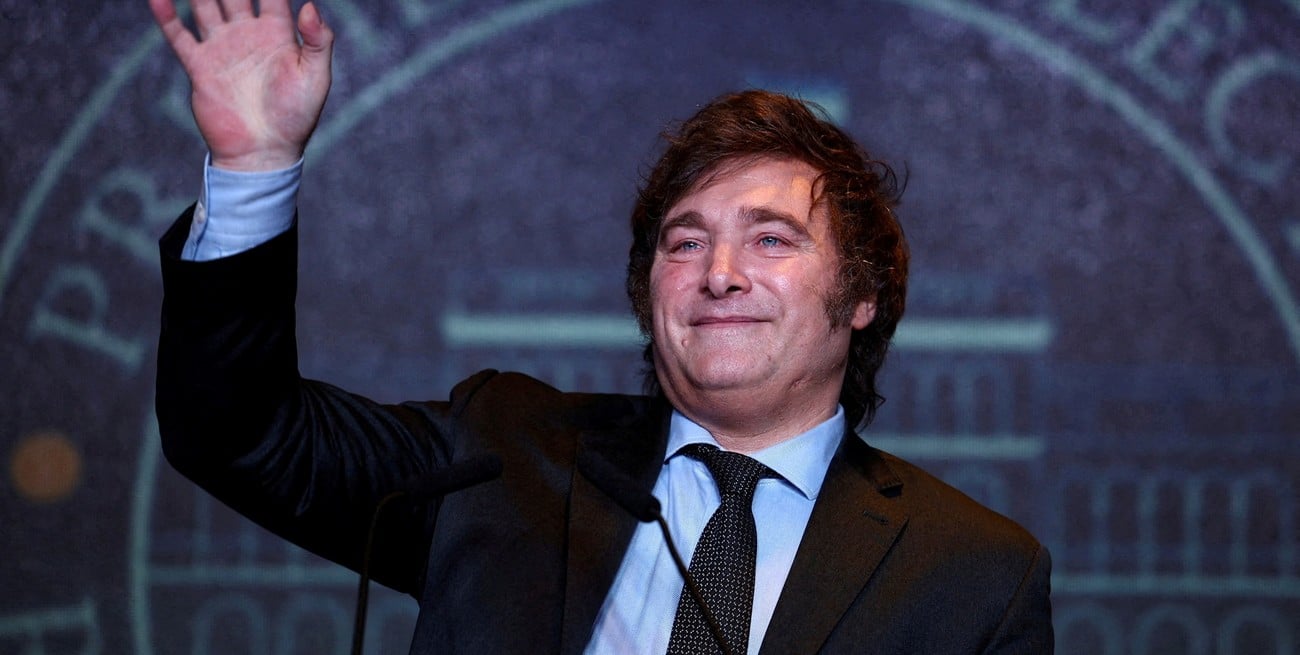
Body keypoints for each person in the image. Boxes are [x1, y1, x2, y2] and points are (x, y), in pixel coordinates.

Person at [149, 0, 1053, 653]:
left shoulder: (975, 573)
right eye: (684, 241)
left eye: (771, 239)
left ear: (862, 295)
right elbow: (239, 432)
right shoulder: (503, 457)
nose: (720, 272)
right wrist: (255, 163)